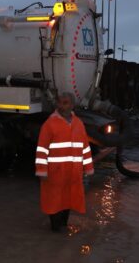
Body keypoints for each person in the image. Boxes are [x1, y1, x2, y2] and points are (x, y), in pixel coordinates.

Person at [34, 92, 94, 231]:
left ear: (72, 105)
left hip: (73, 173)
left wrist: (88, 168)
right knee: (54, 201)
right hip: (55, 173)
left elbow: (85, 148)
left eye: (65, 103)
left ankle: (63, 227)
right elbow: (42, 150)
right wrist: (42, 171)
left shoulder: (78, 124)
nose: (61, 106)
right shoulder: (49, 124)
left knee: (68, 200)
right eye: (59, 102)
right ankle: (55, 231)